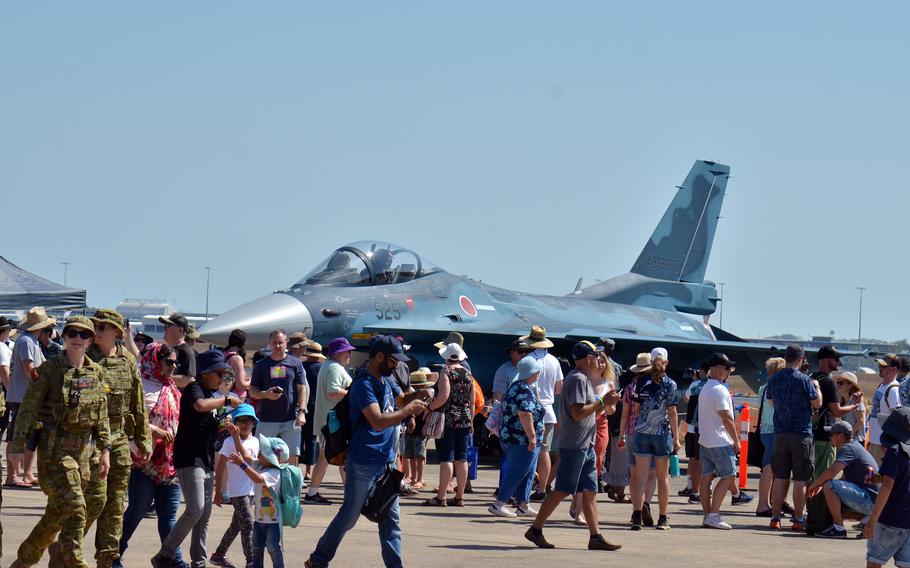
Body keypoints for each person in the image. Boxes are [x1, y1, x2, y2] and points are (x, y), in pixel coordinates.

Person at [305, 335, 430, 568]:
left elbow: (402, 400)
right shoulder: (363, 385)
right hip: (362, 463)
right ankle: (318, 560)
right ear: (380, 356)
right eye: (394, 360)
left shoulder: (387, 380)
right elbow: (377, 421)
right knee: (349, 517)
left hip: (386, 462)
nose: (397, 366)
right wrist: (408, 411)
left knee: (391, 520)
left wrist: (420, 395)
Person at [8, 316, 111, 568]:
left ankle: (22, 562)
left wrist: (105, 450)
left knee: (56, 517)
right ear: (63, 337)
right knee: (75, 510)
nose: (78, 339)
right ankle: (74, 562)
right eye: (72, 333)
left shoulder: (96, 371)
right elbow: (28, 410)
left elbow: (102, 415)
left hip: (86, 456)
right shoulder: (48, 371)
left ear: (90, 340)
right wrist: (16, 447)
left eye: (84, 335)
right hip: (55, 456)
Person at [62, 309, 152, 568]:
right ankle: (68, 550)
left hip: (120, 440)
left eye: (103, 327)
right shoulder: (84, 358)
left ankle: (108, 558)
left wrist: (143, 439)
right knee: (92, 501)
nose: (97, 331)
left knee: (115, 504)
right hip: (90, 441)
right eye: (96, 326)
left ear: (117, 332)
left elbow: (137, 403)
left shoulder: (127, 361)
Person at [524, 340, 621, 551]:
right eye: (595, 356)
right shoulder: (577, 380)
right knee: (562, 489)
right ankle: (535, 529)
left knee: (590, 490)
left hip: (585, 443)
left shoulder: (581, 379)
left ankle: (595, 536)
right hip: (575, 445)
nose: (598, 359)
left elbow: (586, 411)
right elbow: (578, 413)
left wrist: (605, 403)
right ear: (588, 359)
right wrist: (603, 402)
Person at [152, 350, 242, 568]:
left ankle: (198, 563)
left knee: (204, 516)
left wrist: (224, 424)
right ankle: (165, 554)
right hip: (190, 458)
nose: (222, 379)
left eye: (224, 374)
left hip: (206, 459)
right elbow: (199, 406)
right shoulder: (195, 389)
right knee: (196, 508)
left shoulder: (211, 396)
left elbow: (206, 422)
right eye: (219, 373)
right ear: (205, 373)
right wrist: (227, 399)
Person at [115, 344, 185, 568]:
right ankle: (113, 556)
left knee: (169, 517)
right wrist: (155, 431)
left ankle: (172, 559)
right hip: (144, 461)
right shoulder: (142, 387)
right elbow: (129, 419)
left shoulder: (173, 388)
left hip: (170, 464)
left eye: (175, 363)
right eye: (169, 362)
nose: (173, 367)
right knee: (136, 512)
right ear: (155, 361)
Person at [767, 344, 823, 531]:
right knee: (800, 479)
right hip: (801, 433)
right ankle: (798, 519)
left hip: (781, 432)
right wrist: (817, 388)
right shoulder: (804, 380)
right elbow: (817, 402)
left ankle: (775, 517)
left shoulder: (774, 379)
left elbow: (771, 402)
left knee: (780, 477)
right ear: (800, 359)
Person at [629, 347, 680, 530]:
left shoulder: (641, 381)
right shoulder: (670, 384)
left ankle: (636, 516)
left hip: (642, 431)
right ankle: (663, 518)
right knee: (662, 477)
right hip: (661, 434)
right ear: (666, 362)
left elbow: (635, 408)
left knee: (640, 476)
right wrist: (676, 438)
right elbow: (672, 412)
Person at [489, 356, 544, 518]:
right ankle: (499, 504)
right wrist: (532, 437)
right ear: (533, 372)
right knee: (517, 471)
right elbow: (525, 414)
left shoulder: (517, 386)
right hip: (521, 440)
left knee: (528, 471)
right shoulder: (524, 390)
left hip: (514, 438)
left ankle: (523, 505)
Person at [5, 307, 53, 489]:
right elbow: (29, 367)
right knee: (17, 435)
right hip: (22, 397)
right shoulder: (27, 341)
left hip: (26, 397)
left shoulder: (30, 340)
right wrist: (42, 384)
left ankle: (23, 473)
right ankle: (12, 476)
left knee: (27, 436)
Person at [806, 421, 879, 538]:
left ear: (840, 436)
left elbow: (831, 472)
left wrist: (814, 485)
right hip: (873, 502)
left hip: (870, 502)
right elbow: (843, 478)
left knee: (829, 486)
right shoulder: (853, 446)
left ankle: (838, 529)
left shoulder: (848, 448)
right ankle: (866, 520)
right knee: (831, 493)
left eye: (832, 434)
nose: (829, 437)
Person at [305, 337, 356, 505]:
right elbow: (333, 392)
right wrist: (355, 393)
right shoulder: (334, 368)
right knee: (327, 458)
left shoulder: (330, 366)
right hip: (333, 423)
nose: (350, 354)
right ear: (339, 353)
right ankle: (313, 493)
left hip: (330, 421)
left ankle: (348, 493)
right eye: (347, 351)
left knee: (339, 458)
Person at [230, 434, 292, 568]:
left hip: (273, 522)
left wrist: (242, 464)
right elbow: (245, 455)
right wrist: (236, 436)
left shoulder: (275, 473)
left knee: (273, 548)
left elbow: (257, 479)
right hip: (259, 520)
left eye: (262, 452)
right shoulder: (261, 465)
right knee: (257, 548)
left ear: (272, 458)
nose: (258, 454)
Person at [424, 342, 474, 507]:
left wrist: (429, 408)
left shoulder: (446, 372)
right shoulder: (468, 374)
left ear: (446, 357)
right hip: (465, 419)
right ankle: (460, 497)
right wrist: (471, 419)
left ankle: (441, 496)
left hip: (448, 419)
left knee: (447, 457)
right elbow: (472, 401)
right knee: (462, 457)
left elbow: (443, 397)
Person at [212, 404, 260, 568]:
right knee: (247, 523)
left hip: (251, 491)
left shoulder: (255, 441)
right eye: (240, 421)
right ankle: (251, 561)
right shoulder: (229, 441)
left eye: (249, 421)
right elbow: (219, 468)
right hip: (237, 492)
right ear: (235, 422)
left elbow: (248, 460)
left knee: (236, 525)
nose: (245, 424)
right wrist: (218, 492)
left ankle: (218, 555)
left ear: (254, 423)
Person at [697, 353, 741, 530]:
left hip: (705, 440)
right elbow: (726, 417)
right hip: (720, 440)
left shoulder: (706, 388)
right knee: (728, 476)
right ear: (715, 369)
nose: (729, 371)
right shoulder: (720, 389)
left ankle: (708, 514)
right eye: (726, 367)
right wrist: (736, 441)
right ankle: (714, 515)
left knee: (706, 477)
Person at [250, 330, 307, 466]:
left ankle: (290, 486)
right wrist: (265, 394)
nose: (277, 345)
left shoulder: (295, 363)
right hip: (267, 419)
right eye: (274, 343)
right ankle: (263, 486)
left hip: (290, 419)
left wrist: (302, 412)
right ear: (269, 344)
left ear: (286, 343)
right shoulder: (261, 365)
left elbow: (301, 388)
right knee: (262, 456)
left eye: (280, 342)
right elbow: (253, 391)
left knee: (291, 457)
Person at [864, 407, 910, 567]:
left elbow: (888, 486)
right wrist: (878, 478)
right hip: (908, 521)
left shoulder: (894, 452)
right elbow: (901, 479)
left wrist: (873, 520)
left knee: (875, 562)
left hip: (890, 520)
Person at [521, 326, 563, 502]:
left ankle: (526, 486)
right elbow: (559, 388)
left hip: (531, 409)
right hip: (549, 410)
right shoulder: (554, 361)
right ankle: (542, 488)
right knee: (544, 450)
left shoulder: (528, 360)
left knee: (529, 449)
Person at [616, 353, 658, 522]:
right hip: (651, 432)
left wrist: (621, 435)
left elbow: (624, 415)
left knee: (635, 475)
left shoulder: (629, 389)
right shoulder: (656, 386)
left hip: (633, 432)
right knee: (652, 474)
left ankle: (636, 510)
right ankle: (647, 502)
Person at [811, 345, 861, 478]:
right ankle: (819, 500)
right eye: (836, 358)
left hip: (810, 435)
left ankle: (808, 499)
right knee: (823, 477)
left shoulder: (811, 378)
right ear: (826, 360)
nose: (839, 362)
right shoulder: (828, 383)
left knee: (810, 477)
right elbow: (837, 411)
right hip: (824, 436)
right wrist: (854, 406)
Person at [755, 357, 787, 517]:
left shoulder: (763, 388)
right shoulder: (778, 387)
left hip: (764, 430)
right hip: (775, 430)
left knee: (768, 469)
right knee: (769, 469)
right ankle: (763, 504)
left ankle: (767, 503)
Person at [402, 368, 436, 490]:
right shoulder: (412, 398)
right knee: (411, 455)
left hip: (420, 431)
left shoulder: (427, 399)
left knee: (420, 456)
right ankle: (414, 478)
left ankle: (420, 479)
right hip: (411, 431)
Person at [680, 362, 709, 504]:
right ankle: (698, 490)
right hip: (701, 429)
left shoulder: (695, 386)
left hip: (692, 428)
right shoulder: (707, 385)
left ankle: (691, 487)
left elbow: (686, 397)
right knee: (701, 461)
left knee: (693, 459)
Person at [869, 353, 902, 463]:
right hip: (874, 439)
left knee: (877, 478)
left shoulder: (893, 390)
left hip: (882, 444)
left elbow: (897, 419)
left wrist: (888, 442)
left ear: (894, 369)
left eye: (884, 366)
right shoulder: (882, 386)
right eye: (880, 366)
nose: (880, 368)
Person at [300, 340, 326, 480]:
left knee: (299, 438)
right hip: (315, 407)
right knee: (311, 439)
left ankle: (296, 466)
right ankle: (308, 471)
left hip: (300, 406)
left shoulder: (300, 366)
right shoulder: (321, 369)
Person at [159, 313, 196, 388]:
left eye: (168, 325)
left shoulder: (186, 351)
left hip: (176, 398)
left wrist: (159, 378)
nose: (164, 328)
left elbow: (189, 380)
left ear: (180, 330)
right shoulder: (165, 349)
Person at [836, 371, 867, 446]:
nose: (838, 385)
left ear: (850, 385)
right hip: (848, 441)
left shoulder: (857, 400)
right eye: (837, 383)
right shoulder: (844, 402)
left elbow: (861, 422)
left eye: (841, 383)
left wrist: (846, 435)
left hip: (856, 442)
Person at [222, 329, 250, 402]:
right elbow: (240, 385)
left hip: (223, 395)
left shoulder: (222, 354)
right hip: (236, 398)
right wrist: (251, 381)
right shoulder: (237, 359)